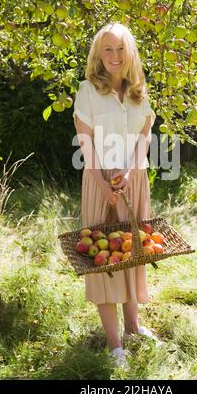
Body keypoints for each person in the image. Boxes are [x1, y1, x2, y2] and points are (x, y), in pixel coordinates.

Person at [73, 22, 157, 368]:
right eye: (107, 49)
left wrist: (132, 169)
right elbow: (86, 143)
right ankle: (114, 343)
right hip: (100, 181)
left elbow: (145, 136)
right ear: (98, 54)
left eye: (121, 49)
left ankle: (134, 327)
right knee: (104, 258)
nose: (114, 56)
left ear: (130, 53)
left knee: (132, 251)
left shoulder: (139, 90)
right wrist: (104, 182)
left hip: (134, 181)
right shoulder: (88, 90)